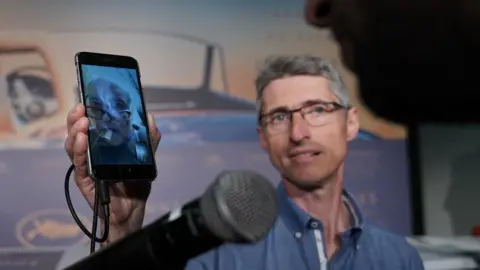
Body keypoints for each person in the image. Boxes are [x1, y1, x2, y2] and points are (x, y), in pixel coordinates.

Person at [60, 55, 424, 269]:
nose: (298, 132)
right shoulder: (212, 251)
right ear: (262, 136)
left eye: (317, 110)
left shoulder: (398, 256)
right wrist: (123, 231)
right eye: (279, 117)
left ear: (352, 123)